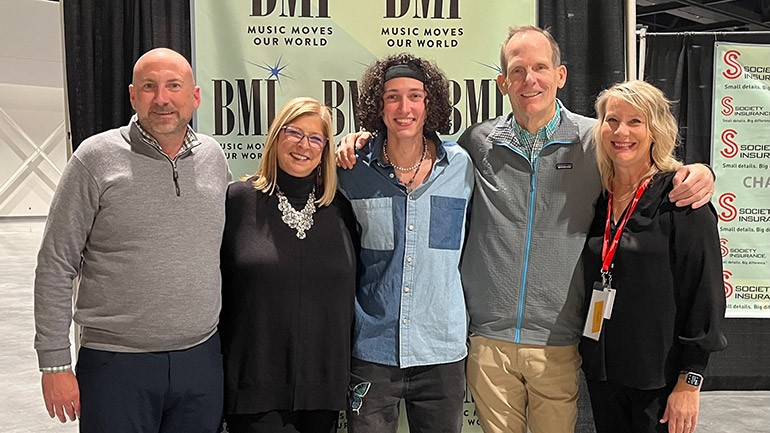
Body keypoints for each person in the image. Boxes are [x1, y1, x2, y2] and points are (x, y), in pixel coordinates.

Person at [336, 26, 715, 433]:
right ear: (502, 82)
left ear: (561, 75)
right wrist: (360, 141)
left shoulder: (596, 139)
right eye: (517, 71)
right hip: (486, 343)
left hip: (560, 342)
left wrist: (698, 172)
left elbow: (644, 161)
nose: (529, 80)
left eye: (539, 68)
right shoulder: (476, 145)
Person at [33, 48, 230, 432]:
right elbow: (56, 264)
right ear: (132, 95)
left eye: (174, 86)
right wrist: (54, 362)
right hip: (115, 363)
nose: (162, 98)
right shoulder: (95, 158)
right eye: (149, 87)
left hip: (201, 360)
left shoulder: (214, 157)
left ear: (195, 96)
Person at [579, 80, 726, 433]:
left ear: (656, 129)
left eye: (635, 122)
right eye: (612, 120)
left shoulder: (681, 199)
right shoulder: (599, 197)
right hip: (603, 375)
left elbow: (704, 295)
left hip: (659, 384)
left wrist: (689, 383)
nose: (621, 132)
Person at [337, 53, 474, 433]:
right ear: (377, 107)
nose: (404, 107)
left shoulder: (461, 166)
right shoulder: (352, 170)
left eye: (414, 96)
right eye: (392, 96)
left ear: (429, 104)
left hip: (441, 351)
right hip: (373, 352)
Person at [218, 97, 359, 433]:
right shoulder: (237, 201)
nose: (303, 145)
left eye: (315, 138)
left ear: (325, 149)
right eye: (294, 132)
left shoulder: (341, 208)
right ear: (276, 137)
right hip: (254, 392)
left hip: (323, 393)